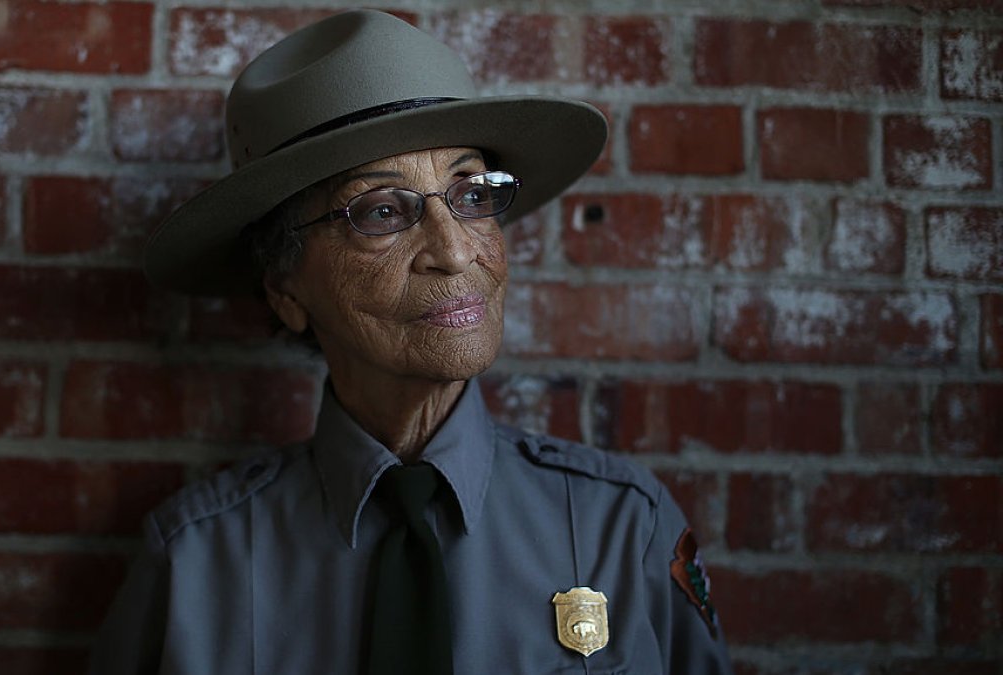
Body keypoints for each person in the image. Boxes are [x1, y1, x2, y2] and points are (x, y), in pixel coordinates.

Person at [92, 9, 734, 675]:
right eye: (382, 211)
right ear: (285, 287)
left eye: (472, 193)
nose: (455, 252)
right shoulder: (197, 561)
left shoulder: (620, 527)